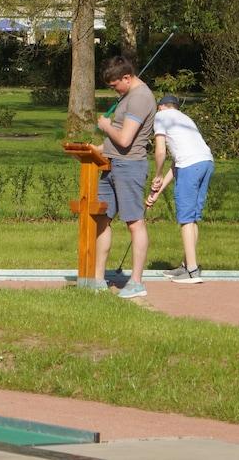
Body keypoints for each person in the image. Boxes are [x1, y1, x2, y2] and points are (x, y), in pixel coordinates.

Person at [92, 56, 156, 299]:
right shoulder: (128, 95)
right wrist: (100, 147)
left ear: (127, 78)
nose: (113, 89)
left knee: (133, 222)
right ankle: (97, 279)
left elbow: (126, 139)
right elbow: (117, 137)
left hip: (129, 167)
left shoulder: (140, 97)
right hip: (110, 164)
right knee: (102, 219)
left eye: (114, 85)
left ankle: (136, 283)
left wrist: (105, 126)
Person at [146, 95, 214, 284]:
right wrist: (157, 192)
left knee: (185, 218)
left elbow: (160, 152)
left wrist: (157, 174)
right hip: (206, 163)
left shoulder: (161, 117)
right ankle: (186, 265)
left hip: (190, 167)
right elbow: (177, 165)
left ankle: (192, 271)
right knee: (192, 217)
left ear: (160, 107)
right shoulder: (185, 119)